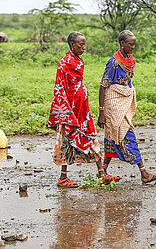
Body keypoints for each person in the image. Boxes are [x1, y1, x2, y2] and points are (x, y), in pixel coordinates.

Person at [48, 31, 117, 188]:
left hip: (82, 109)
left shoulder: (78, 60)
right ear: (72, 45)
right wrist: (66, 112)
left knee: (90, 137)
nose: (84, 47)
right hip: (69, 111)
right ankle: (63, 178)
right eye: (81, 44)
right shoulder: (64, 64)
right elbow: (60, 89)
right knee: (66, 141)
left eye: (84, 44)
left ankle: (102, 174)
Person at [97, 30, 156, 184]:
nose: (133, 47)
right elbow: (103, 86)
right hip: (113, 103)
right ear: (122, 44)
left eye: (134, 44)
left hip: (124, 100)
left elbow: (127, 82)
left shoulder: (130, 60)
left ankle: (103, 171)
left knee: (113, 136)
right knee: (127, 135)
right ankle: (144, 172)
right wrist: (101, 112)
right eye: (131, 44)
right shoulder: (113, 63)